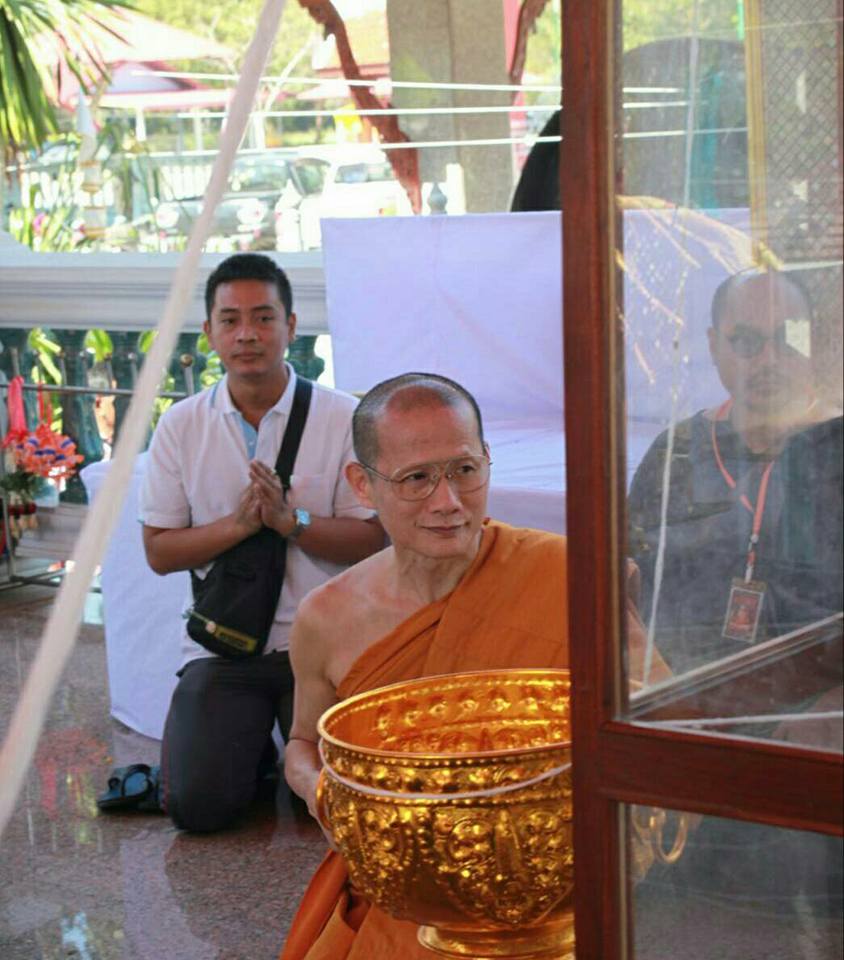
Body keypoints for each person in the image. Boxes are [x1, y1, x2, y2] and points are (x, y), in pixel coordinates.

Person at [280, 372, 660, 960]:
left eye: (464, 469)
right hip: (409, 896)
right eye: (416, 479)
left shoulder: (567, 578)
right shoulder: (327, 619)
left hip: (555, 899)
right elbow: (304, 742)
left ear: (486, 460)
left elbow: (659, 714)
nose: (447, 502)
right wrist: (326, 793)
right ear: (362, 483)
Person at [96, 253, 385, 832]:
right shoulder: (182, 423)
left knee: (342, 808)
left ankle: (270, 747)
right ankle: (249, 749)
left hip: (325, 647)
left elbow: (376, 540)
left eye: (263, 317)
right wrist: (238, 526)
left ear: (292, 327)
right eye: (230, 320)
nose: (247, 334)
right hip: (226, 647)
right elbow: (159, 551)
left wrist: (290, 521)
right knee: (199, 810)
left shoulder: (343, 416)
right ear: (209, 334)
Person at [628, 267, 843, 675]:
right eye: (746, 341)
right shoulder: (678, 453)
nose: (769, 359)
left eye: (787, 337)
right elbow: (627, 586)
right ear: (713, 346)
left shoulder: (835, 442)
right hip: (687, 691)